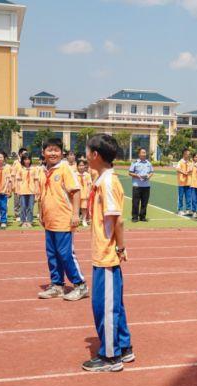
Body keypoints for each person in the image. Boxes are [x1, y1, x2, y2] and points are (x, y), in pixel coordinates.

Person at [82, 133, 134, 372]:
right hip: (102, 253)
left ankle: (111, 358)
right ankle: (123, 347)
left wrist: (120, 247)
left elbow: (118, 220)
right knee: (113, 305)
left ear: (94, 155)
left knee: (106, 307)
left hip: (106, 255)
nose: (84, 157)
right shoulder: (102, 179)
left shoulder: (108, 182)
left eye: (86, 152)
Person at [37, 138, 88, 301]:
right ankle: (57, 285)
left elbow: (76, 191)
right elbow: (43, 195)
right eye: (49, 150)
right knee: (52, 254)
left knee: (65, 254)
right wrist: (41, 213)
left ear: (62, 153)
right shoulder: (44, 170)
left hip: (63, 219)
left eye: (56, 150)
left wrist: (75, 214)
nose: (53, 153)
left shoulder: (65, 168)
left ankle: (80, 285)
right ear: (43, 152)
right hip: (49, 220)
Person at [129, 148, 153, 222]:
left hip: (146, 186)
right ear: (139, 154)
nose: (144, 154)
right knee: (135, 202)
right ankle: (135, 217)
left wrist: (149, 176)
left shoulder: (148, 163)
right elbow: (130, 172)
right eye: (142, 152)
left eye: (145, 152)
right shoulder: (135, 163)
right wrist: (138, 176)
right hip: (137, 186)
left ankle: (142, 217)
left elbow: (151, 172)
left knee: (144, 202)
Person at [16, 154, 38, 228]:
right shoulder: (21, 169)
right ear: (23, 160)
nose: (27, 161)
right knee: (23, 207)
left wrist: (36, 190)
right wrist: (18, 190)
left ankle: (29, 221)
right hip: (23, 190)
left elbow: (36, 180)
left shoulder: (34, 169)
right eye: (25, 159)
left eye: (28, 159)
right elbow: (18, 181)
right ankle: (23, 221)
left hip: (31, 191)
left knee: (30, 207)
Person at [75, 159, 92, 227]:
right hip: (77, 194)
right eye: (80, 165)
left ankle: (84, 220)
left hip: (84, 194)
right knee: (76, 208)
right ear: (77, 166)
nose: (81, 167)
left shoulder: (87, 175)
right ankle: (77, 220)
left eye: (82, 165)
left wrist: (88, 193)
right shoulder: (74, 174)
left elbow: (89, 184)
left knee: (84, 208)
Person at [176, 148, 192, 216]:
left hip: (188, 182)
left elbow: (191, 169)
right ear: (184, 154)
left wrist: (189, 171)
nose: (188, 155)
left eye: (189, 154)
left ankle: (188, 209)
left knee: (188, 197)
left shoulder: (189, 162)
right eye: (187, 154)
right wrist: (184, 172)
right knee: (181, 197)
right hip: (181, 183)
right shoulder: (180, 162)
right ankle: (180, 209)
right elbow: (177, 169)